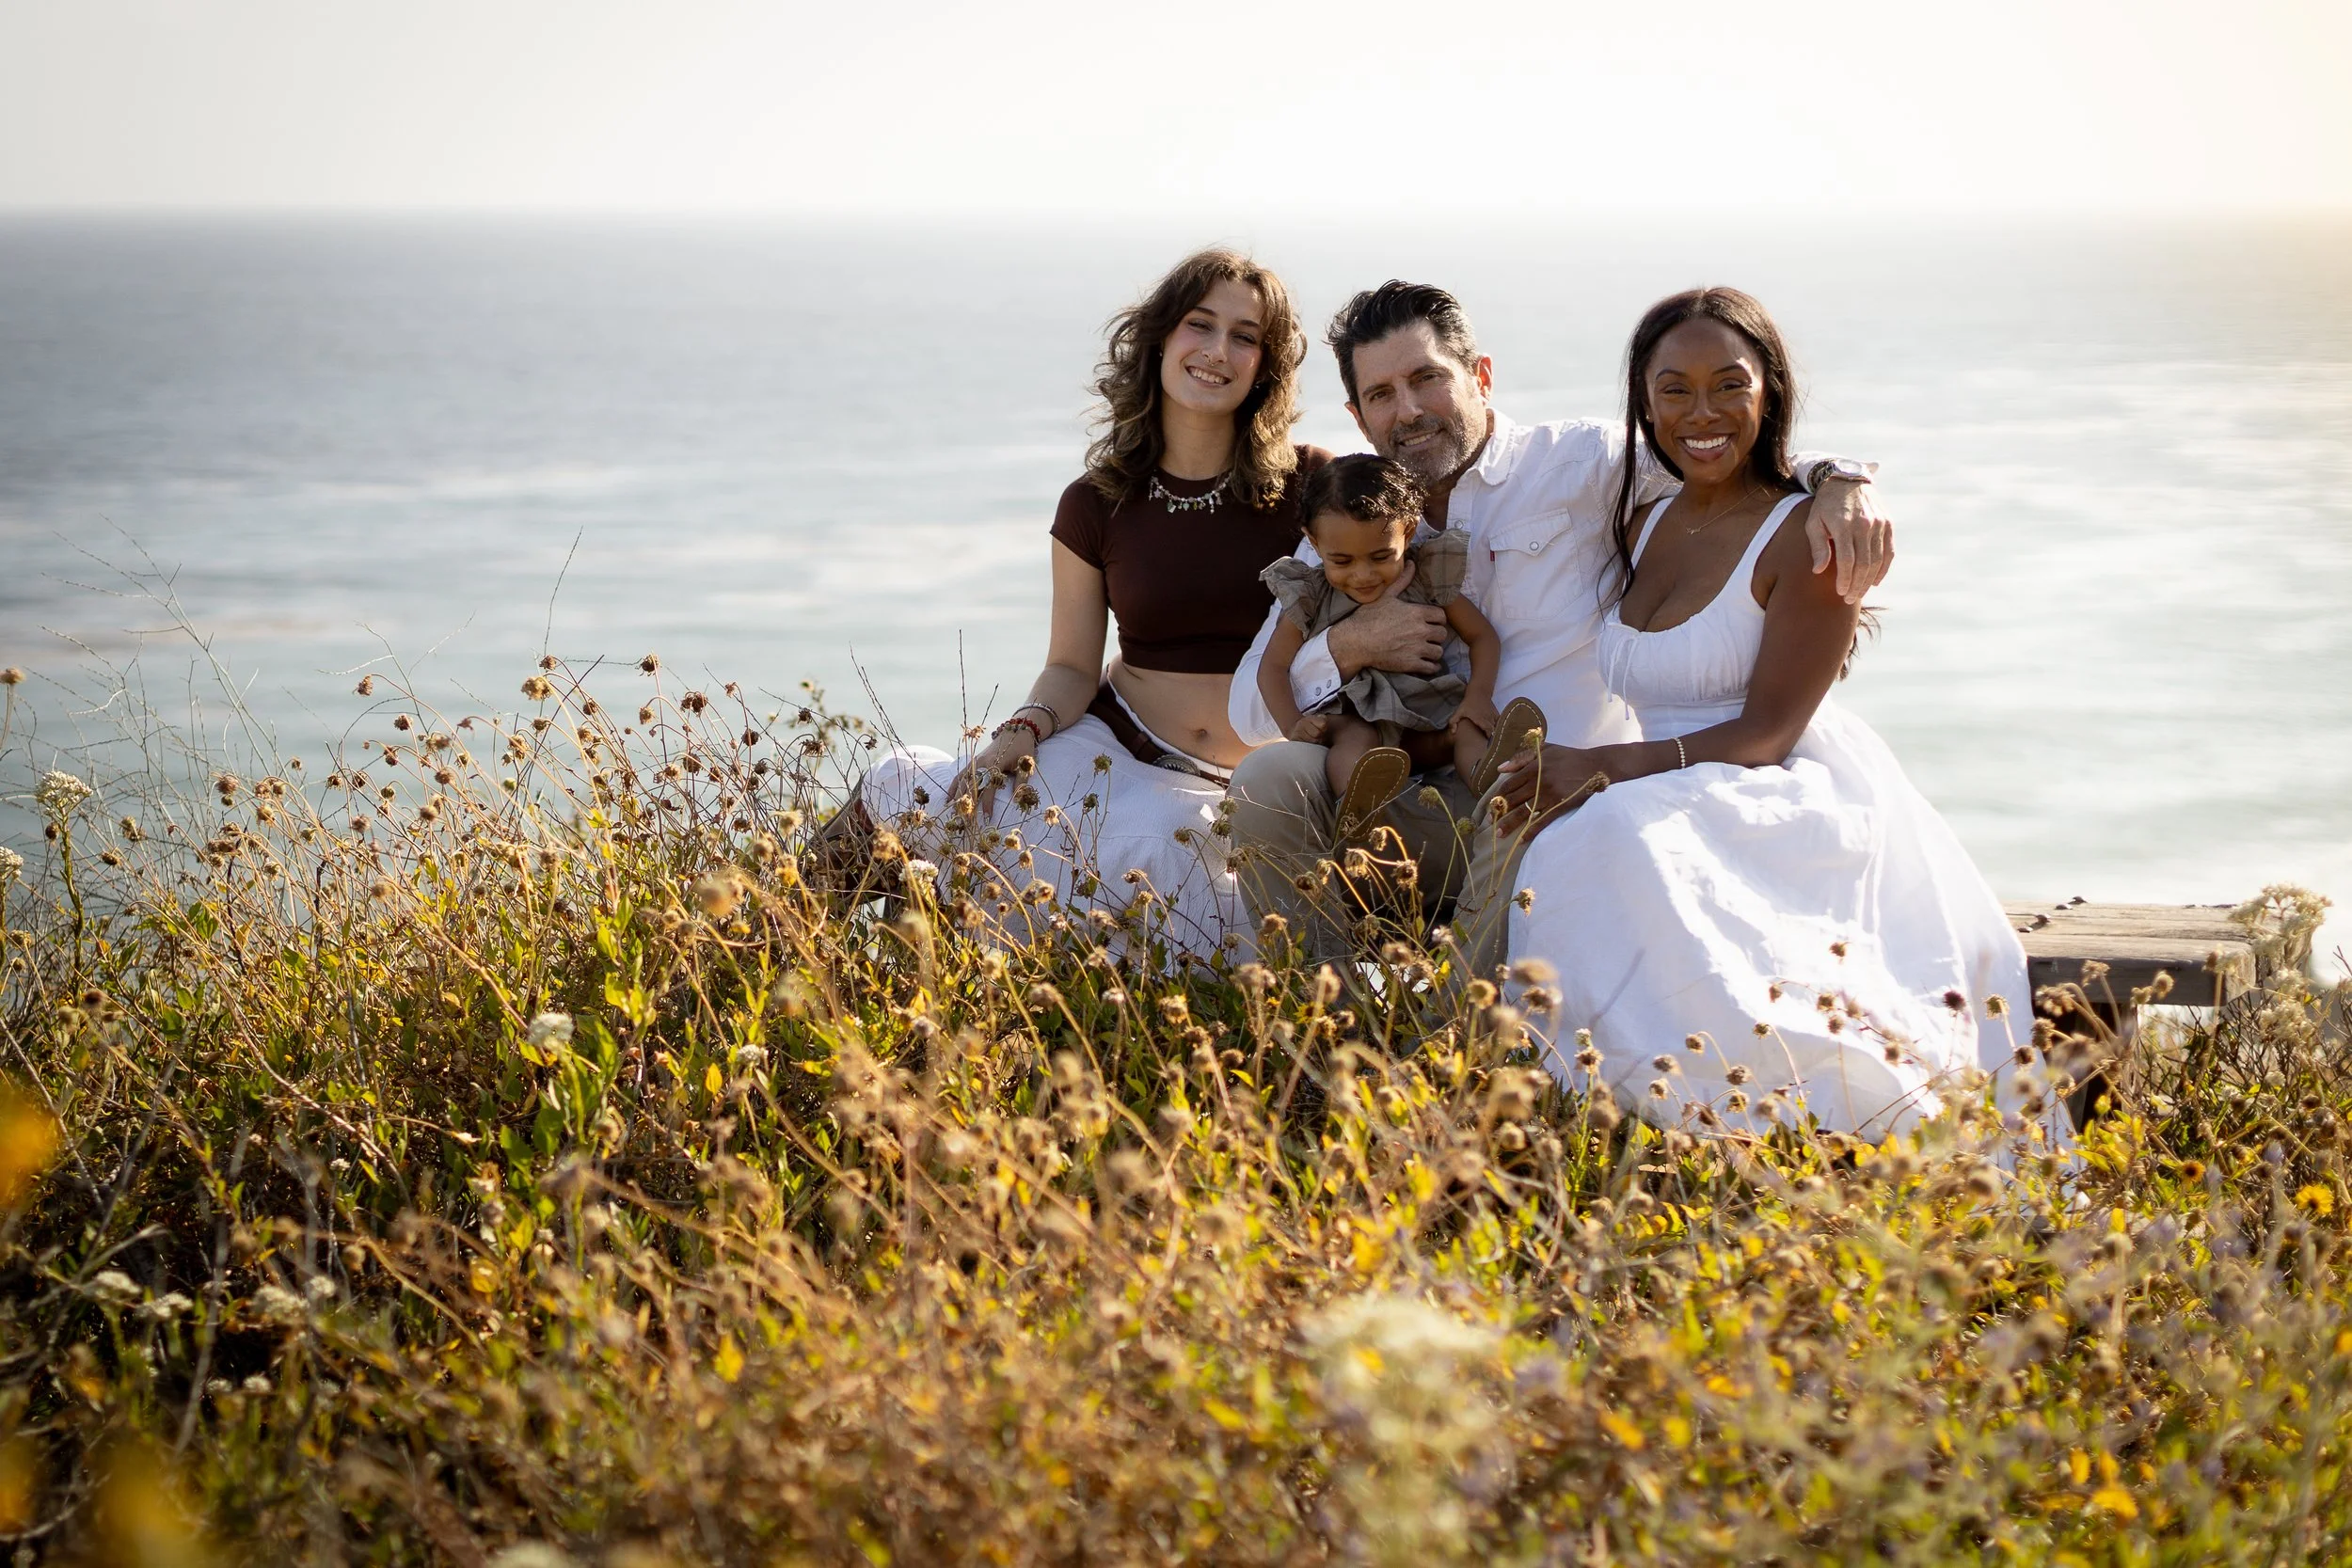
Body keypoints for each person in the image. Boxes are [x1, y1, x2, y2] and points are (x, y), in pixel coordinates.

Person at [1226, 281, 1892, 968]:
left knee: (1517, 795)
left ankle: (1458, 1033)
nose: (1410, 410)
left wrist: (1838, 479)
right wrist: (1347, 644)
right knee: (1266, 777)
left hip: (1550, 794)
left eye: (1428, 378)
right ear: (1359, 417)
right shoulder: (1352, 522)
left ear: (1480, 376)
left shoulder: (1585, 466)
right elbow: (1248, 708)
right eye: (1382, 394)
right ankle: (1327, 1023)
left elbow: (1719, 449)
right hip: (1400, 799)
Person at [1504, 287, 2036, 1140]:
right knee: (1574, 841)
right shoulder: (1641, 520)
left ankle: (1722, 1121)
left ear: (1769, 391)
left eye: (1730, 385)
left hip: (1776, 786)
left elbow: (1766, 734)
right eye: (1674, 389)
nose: (1701, 412)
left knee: (1605, 836)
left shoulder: (1807, 535)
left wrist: (1598, 766)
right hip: (1673, 782)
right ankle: (1598, 1112)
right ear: (1644, 401)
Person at [843, 248, 1330, 958]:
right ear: (1163, 336)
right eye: (1201, 324)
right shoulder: (1094, 502)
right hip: (1111, 747)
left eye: (1245, 336)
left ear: (1266, 365)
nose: (1218, 351)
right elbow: (1072, 666)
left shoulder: (1312, 484)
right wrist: (1023, 730)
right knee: (921, 793)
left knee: (1178, 866)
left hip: (1242, 783)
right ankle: (759, 955)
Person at [1255, 454, 1512, 844]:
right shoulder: (1309, 595)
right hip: (1358, 719)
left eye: (1380, 557)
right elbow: (1271, 667)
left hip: (1426, 723)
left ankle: (1500, 798)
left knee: (1466, 732)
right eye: (1341, 560)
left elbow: (1483, 637)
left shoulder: (1427, 578)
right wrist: (1293, 724)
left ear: (1407, 533)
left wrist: (1477, 697)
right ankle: (1360, 825)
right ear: (1313, 541)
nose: (1363, 575)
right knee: (1354, 741)